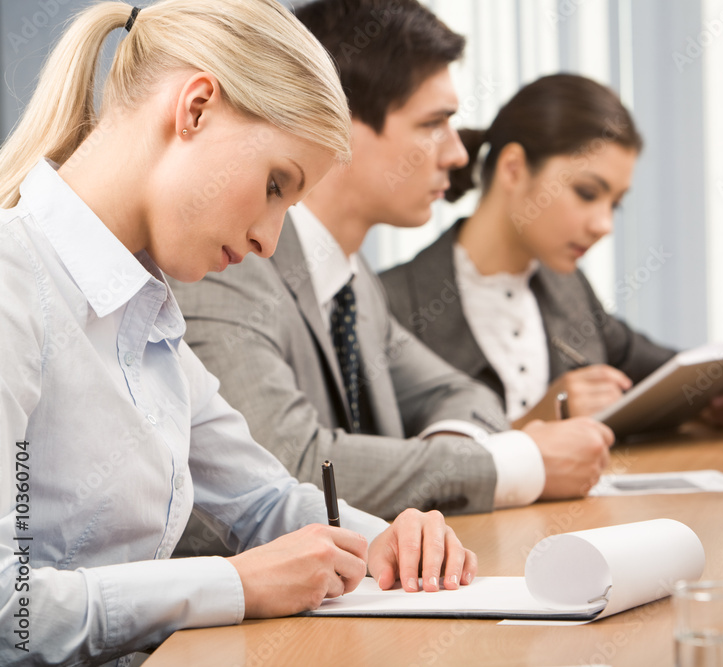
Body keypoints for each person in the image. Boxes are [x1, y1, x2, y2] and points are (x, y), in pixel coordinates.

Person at [0, 2, 474, 665]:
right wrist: (236, 584)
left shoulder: (147, 311)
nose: (267, 239)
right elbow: (8, 611)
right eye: (276, 184)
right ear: (195, 108)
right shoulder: (13, 284)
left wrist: (383, 541)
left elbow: (265, 499)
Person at [169, 0, 613, 543]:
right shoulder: (227, 263)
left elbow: (463, 396)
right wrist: (513, 464)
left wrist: (451, 457)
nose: (456, 154)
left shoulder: (354, 286)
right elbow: (289, 467)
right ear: (335, 124)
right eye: (433, 124)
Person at [380, 74, 723, 429]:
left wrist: (722, 392)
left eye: (615, 204)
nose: (604, 225)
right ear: (513, 169)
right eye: (587, 193)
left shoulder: (568, 288)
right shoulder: (388, 305)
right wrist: (533, 427)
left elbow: (667, 377)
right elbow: (394, 468)